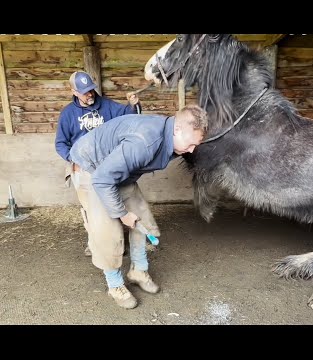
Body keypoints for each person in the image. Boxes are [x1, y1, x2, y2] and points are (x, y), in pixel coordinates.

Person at [69, 105, 208, 309]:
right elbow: (102, 180)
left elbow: (120, 171)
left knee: (142, 217)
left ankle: (138, 271)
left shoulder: (173, 138)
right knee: (107, 230)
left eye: (196, 145)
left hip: (115, 171)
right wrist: (122, 214)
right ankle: (115, 284)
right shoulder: (145, 142)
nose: (192, 150)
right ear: (177, 130)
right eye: (191, 143)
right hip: (92, 169)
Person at [55, 71, 142, 256]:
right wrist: (73, 158)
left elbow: (128, 116)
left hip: (107, 166)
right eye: (85, 92)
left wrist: (133, 104)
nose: (90, 94)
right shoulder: (68, 114)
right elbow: (60, 143)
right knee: (90, 209)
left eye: (91, 90)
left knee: (114, 203)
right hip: (83, 168)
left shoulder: (107, 106)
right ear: (74, 91)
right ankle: (94, 243)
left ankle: (117, 244)